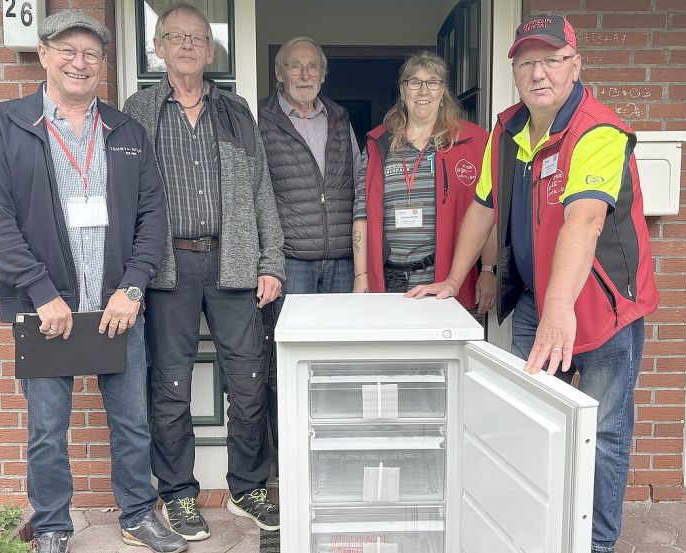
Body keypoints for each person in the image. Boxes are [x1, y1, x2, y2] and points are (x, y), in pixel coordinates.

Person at [408, 15, 659, 552]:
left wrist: (558, 308)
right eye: (526, 63)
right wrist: (454, 279)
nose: (538, 73)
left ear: (575, 64)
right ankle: (539, 530)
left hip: (601, 311)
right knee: (534, 423)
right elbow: (484, 204)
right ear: (515, 71)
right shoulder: (508, 129)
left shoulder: (598, 131)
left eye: (550, 59)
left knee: (604, 433)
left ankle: (596, 542)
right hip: (540, 304)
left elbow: (585, 220)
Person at [0, 9, 187, 553]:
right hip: (46, 313)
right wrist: (42, 292)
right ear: (43, 55)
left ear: (102, 65)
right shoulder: (5, 124)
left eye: (91, 54)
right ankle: (52, 526)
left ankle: (138, 514)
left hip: (118, 307)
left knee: (132, 423)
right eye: (67, 50)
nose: (79, 62)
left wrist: (133, 287)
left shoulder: (125, 130)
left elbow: (152, 216)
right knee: (47, 431)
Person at [122, 3, 285, 542]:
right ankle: (178, 495)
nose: (189, 46)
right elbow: (125, 197)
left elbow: (262, 190)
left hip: (233, 263)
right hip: (167, 267)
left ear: (211, 51)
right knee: (169, 385)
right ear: (158, 47)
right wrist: (130, 275)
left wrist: (270, 262)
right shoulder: (138, 111)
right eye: (177, 37)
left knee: (249, 378)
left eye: (198, 38)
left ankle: (247, 486)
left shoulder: (236, 110)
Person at [353, 51, 497, 316]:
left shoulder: (473, 142)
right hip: (389, 278)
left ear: (443, 92)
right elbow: (361, 213)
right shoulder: (378, 144)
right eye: (414, 82)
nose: (423, 90)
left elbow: (488, 210)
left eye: (432, 82)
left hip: (443, 277)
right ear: (402, 91)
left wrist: (488, 270)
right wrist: (361, 275)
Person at [258, 36, 360, 294]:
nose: (305, 74)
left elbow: (359, 180)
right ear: (279, 73)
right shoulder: (259, 120)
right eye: (295, 66)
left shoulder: (340, 118)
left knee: (341, 334)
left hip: (342, 257)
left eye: (313, 66)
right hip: (290, 259)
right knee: (293, 333)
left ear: (323, 74)